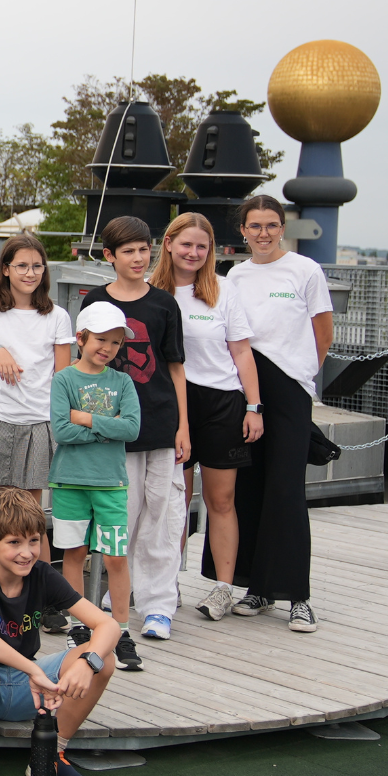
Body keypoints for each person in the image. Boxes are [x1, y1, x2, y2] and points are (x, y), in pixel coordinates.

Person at [0, 488, 119, 776]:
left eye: (34, 541)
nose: (27, 552)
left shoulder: (41, 574)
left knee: (103, 660)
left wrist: (87, 662)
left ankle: (53, 754)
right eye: (14, 543)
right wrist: (32, 670)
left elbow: (108, 626)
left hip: (30, 687)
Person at [80, 215, 188, 664]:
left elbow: (176, 368)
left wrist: (184, 425)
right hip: (111, 431)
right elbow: (82, 363)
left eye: (145, 249)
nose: (139, 258)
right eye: (129, 251)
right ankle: (117, 598)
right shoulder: (94, 299)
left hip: (160, 425)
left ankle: (159, 605)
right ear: (110, 256)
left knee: (161, 517)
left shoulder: (165, 304)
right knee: (117, 519)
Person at [148, 213, 264, 622]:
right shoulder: (152, 292)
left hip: (220, 403)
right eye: (186, 245)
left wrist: (254, 406)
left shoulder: (223, 291)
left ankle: (223, 589)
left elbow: (242, 352)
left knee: (221, 500)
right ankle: (167, 583)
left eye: (202, 246)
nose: (194, 253)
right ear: (168, 244)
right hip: (171, 404)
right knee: (171, 500)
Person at [224, 195, 333, 632]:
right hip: (247, 387)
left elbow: (321, 331)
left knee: (286, 490)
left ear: (282, 227)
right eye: (255, 226)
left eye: (271, 225)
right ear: (243, 230)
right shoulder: (235, 275)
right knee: (250, 486)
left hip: (289, 388)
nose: (263, 233)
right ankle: (258, 588)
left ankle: (298, 597)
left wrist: (302, 376)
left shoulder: (306, 270)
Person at [0, 235, 75, 633]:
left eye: (37, 266)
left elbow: (63, 377)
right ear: (5, 270)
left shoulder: (57, 316)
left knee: (31, 516)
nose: (30, 273)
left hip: (39, 422)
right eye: (21, 266)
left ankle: (44, 600)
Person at [49, 301, 141, 667]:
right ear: (81, 338)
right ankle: (80, 625)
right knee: (73, 555)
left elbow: (132, 428)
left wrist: (86, 418)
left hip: (111, 483)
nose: (108, 348)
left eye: (117, 343)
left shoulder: (123, 381)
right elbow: (61, 430)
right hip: (69, 482)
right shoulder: (64, 379)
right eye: (101, 339)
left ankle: (120, 629)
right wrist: (107, 427)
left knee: (116, 558)